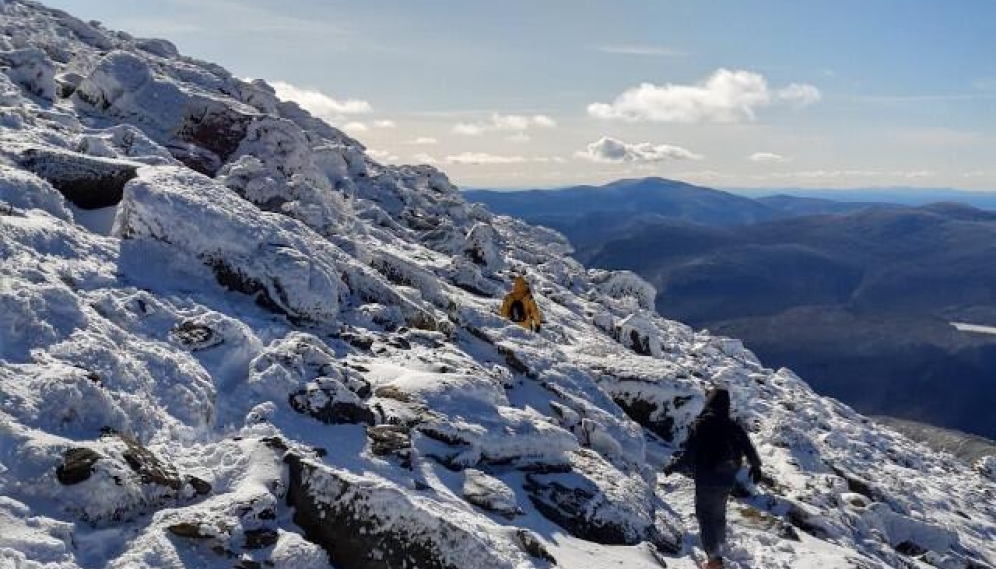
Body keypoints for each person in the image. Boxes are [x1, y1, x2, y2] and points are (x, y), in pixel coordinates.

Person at [664, 388, 762, 569]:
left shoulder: (702, 424)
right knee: (718, 514)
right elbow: (749, 449)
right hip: (727, 479)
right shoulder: (733, 425)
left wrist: (672, 467)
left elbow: (690, 454)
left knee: (705, 516)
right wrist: (756, 468)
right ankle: (719, 547)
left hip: (706, 479)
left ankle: (714, 561)